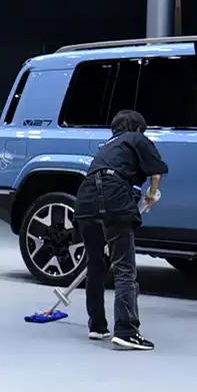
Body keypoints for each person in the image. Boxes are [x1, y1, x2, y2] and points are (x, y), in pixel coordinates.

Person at [74, 109, 167, 351]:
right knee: (124, 267)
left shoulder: (107, 146)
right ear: (138, 128)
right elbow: (156, 171)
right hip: (114, 195)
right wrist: (152, 193)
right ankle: (126, 331)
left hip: (85, 198)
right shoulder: (137, 138)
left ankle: (97, 326)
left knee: (95, 265)